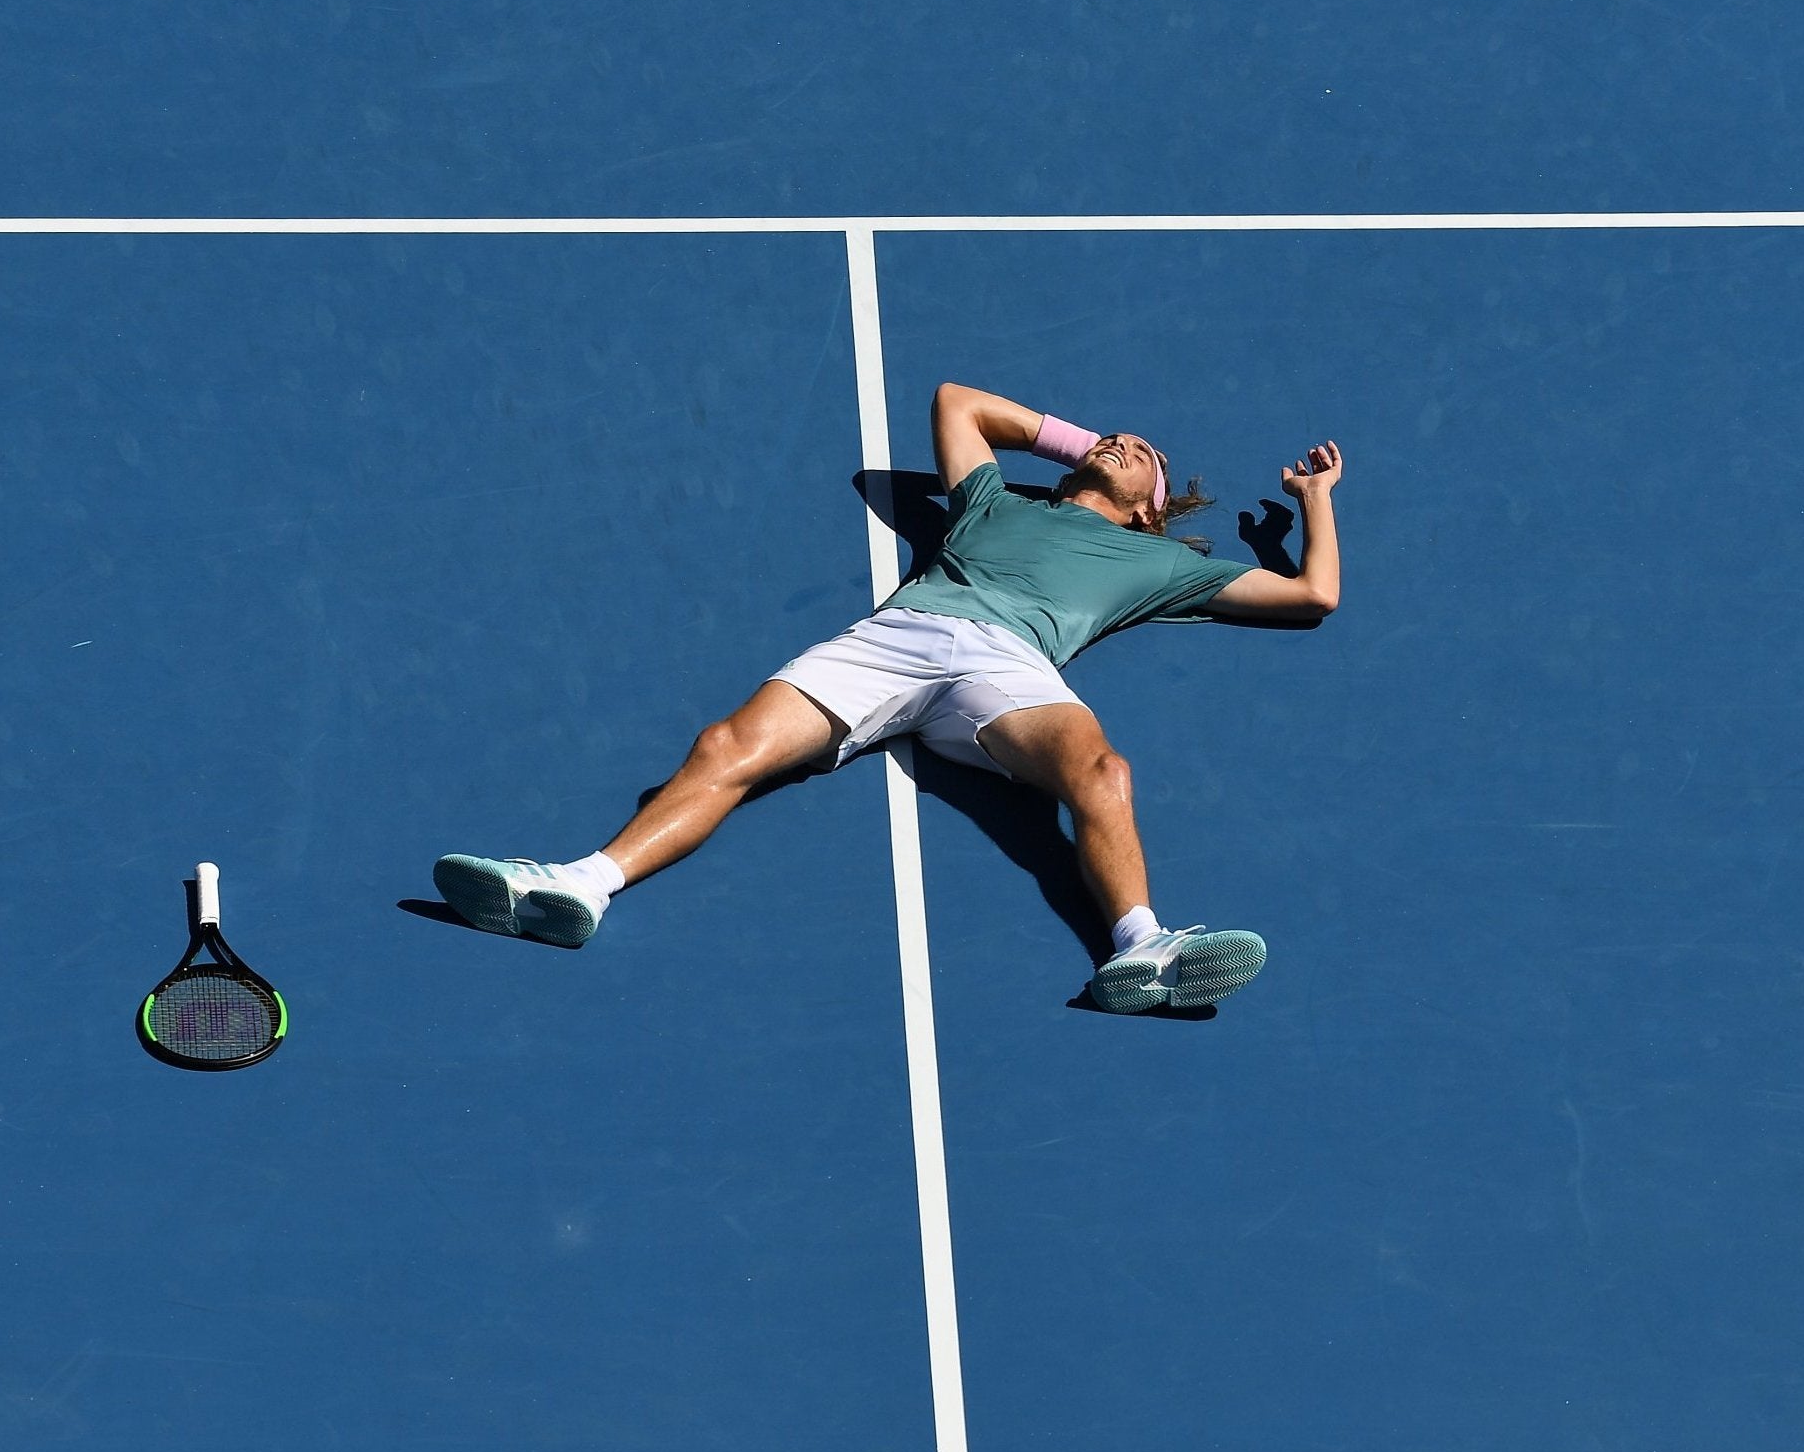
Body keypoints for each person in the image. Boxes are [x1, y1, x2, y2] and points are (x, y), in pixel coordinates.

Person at [434, 382, 1344, 1013]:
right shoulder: (993, 503)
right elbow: (958, 401)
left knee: (1102, 769)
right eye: (1116, 433)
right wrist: (1080, 445)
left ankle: (1140, 945)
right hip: (900, 637)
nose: (1122, 442)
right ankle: (581, 886)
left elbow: (1313, 597)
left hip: (1013, 666)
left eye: (1142, 453)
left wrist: (1316, 500)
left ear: (1151, 508)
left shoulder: (1164, 561)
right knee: (724, 747)